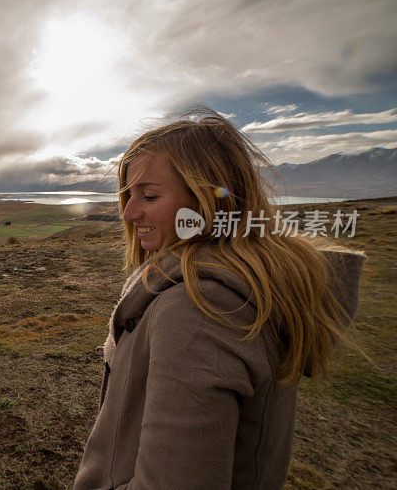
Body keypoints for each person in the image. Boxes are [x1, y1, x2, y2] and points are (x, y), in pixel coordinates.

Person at [73, 109, 366, 489]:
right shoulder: (245, 286)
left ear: (208, 201)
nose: (128, 212)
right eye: (128, 194)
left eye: (149, 195)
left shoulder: (197, 310)